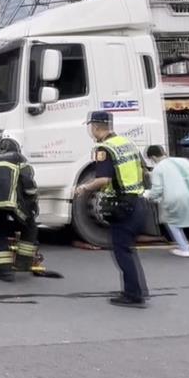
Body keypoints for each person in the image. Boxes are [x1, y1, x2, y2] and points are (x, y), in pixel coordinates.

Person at [74, 111, 149, 308]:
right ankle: (137, 290)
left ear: (96, 127)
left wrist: (83, 187)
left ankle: (133, 295)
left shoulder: (104, 149)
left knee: (122, 251)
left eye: (91, 127)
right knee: (128, 250)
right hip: (138, 202)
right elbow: (143, 171)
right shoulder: (127, 143)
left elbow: (104, 179)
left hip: (123, 205)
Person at [0, 134, 39, 282]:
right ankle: (23, 262)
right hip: (11, 202)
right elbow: (28, 183)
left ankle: (5, 272)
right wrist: (32, 203)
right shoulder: (19, 158)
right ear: (16, 148)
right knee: (30, 227)